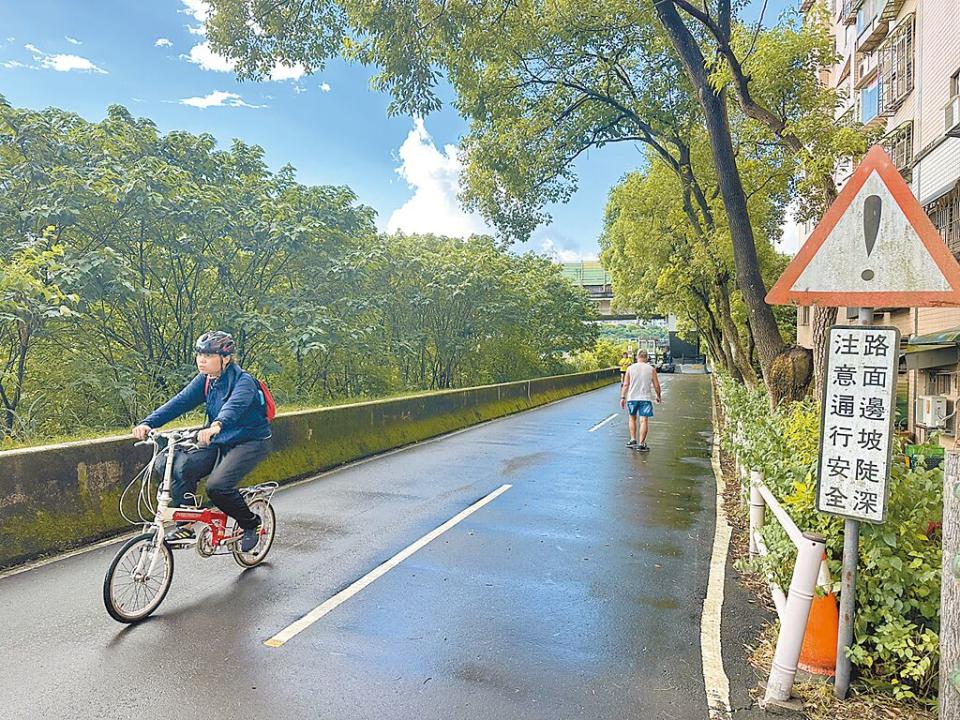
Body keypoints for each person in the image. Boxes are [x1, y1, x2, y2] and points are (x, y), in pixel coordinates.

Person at [132, 331, 272, 552]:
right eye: (199, 354)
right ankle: (185, 524)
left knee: (217, 487)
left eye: (208, 355)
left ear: (225, 358)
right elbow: (179, 402)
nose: (201, 359)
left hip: (249, 442)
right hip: (219, 440)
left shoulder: (243, 381)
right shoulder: (206, 381)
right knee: (180, 465)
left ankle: (250, 523)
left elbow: (233, 407)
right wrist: (148, 422)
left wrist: (216, 425)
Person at [621, 349, 662, 452]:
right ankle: (641, 444)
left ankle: (632, 439)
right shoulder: (651, 369)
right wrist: (658, 396)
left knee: (632, 419)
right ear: (647, 357)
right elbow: (656, 385)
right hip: (645, 398)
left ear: (637, 357)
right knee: (643, 420)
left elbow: (626, 384)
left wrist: (623, 397)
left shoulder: (630, 368)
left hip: (632, 398)